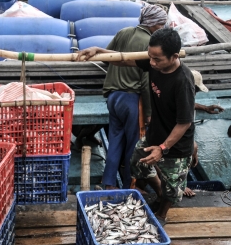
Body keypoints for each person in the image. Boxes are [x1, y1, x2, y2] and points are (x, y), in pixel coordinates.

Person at [77, 28, 195, 226]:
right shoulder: (154, 64)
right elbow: (124, 60)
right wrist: (98, 50)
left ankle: (162, 214)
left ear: (174, 56)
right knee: (137, 162)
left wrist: (163, 148)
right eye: (150, 57)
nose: (151, 63)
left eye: (157, 59)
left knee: (173, 188)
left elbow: (185, 122)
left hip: (176, 144)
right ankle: (158, 192)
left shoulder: (183, 81)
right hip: (155, 135)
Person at [100, 4, 167, 190]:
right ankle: (132, 185)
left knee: (115, 141)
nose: (163, 28)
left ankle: (109, 183)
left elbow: (106, 57)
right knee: (134, 146)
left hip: (113, 98)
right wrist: (149, 112)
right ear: (154, 24)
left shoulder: (124, 32)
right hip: (132, 101)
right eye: (161, 24)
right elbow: (146, 82)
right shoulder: (151, 43)